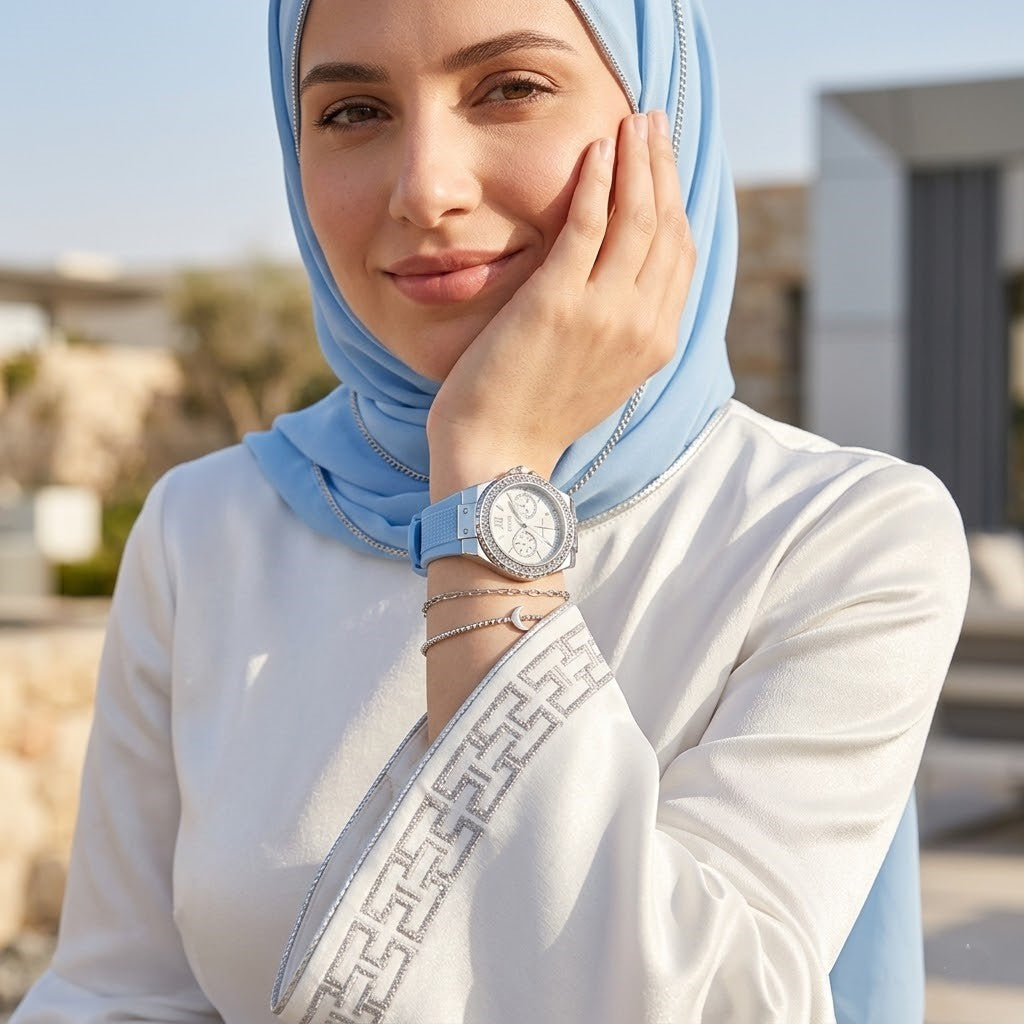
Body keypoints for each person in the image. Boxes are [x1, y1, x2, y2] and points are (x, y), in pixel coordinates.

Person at [13, 0, 969, 1021]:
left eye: (509, 88)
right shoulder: (209, 529)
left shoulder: (836, 537)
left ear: (662, 117)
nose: (426, 189)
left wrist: (487, 485)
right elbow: (115, 993)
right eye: (351, 111)